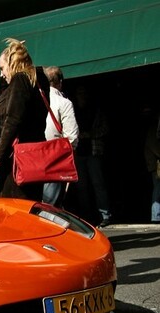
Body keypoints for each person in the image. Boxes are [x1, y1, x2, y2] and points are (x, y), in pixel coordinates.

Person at [0, 38, 50, 201]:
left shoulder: (20, 80)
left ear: (12, 63)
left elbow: (12, 120)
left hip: (18, 159)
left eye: (2, 68)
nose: (1, 74)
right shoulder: (36, 81)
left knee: (13, 210)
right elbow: (5, 101)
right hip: (33, 157)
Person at [72, 85, 112, 227]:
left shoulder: (96, 111)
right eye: (79, 93)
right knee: (82, 187)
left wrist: (90, 134)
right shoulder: (73, 111)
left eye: (83, 93)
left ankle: (104, 215)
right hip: (78, 153)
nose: (81, 96)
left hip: (94, 151)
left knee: (98, 184)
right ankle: (86, 218)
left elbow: (105, 128)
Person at [42, 66, 79, 207]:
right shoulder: (64, 103)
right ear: (60, 82)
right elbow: (72, 137)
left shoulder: (35, 100)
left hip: (35, 159)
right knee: (52, 206)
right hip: (56, 159)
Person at [143, 106, 160, 223]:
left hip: (155, 162)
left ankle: (156, 216)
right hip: (156, 163)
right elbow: (154, 146)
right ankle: (156, 217)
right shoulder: (154, 128)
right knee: (158, 188)